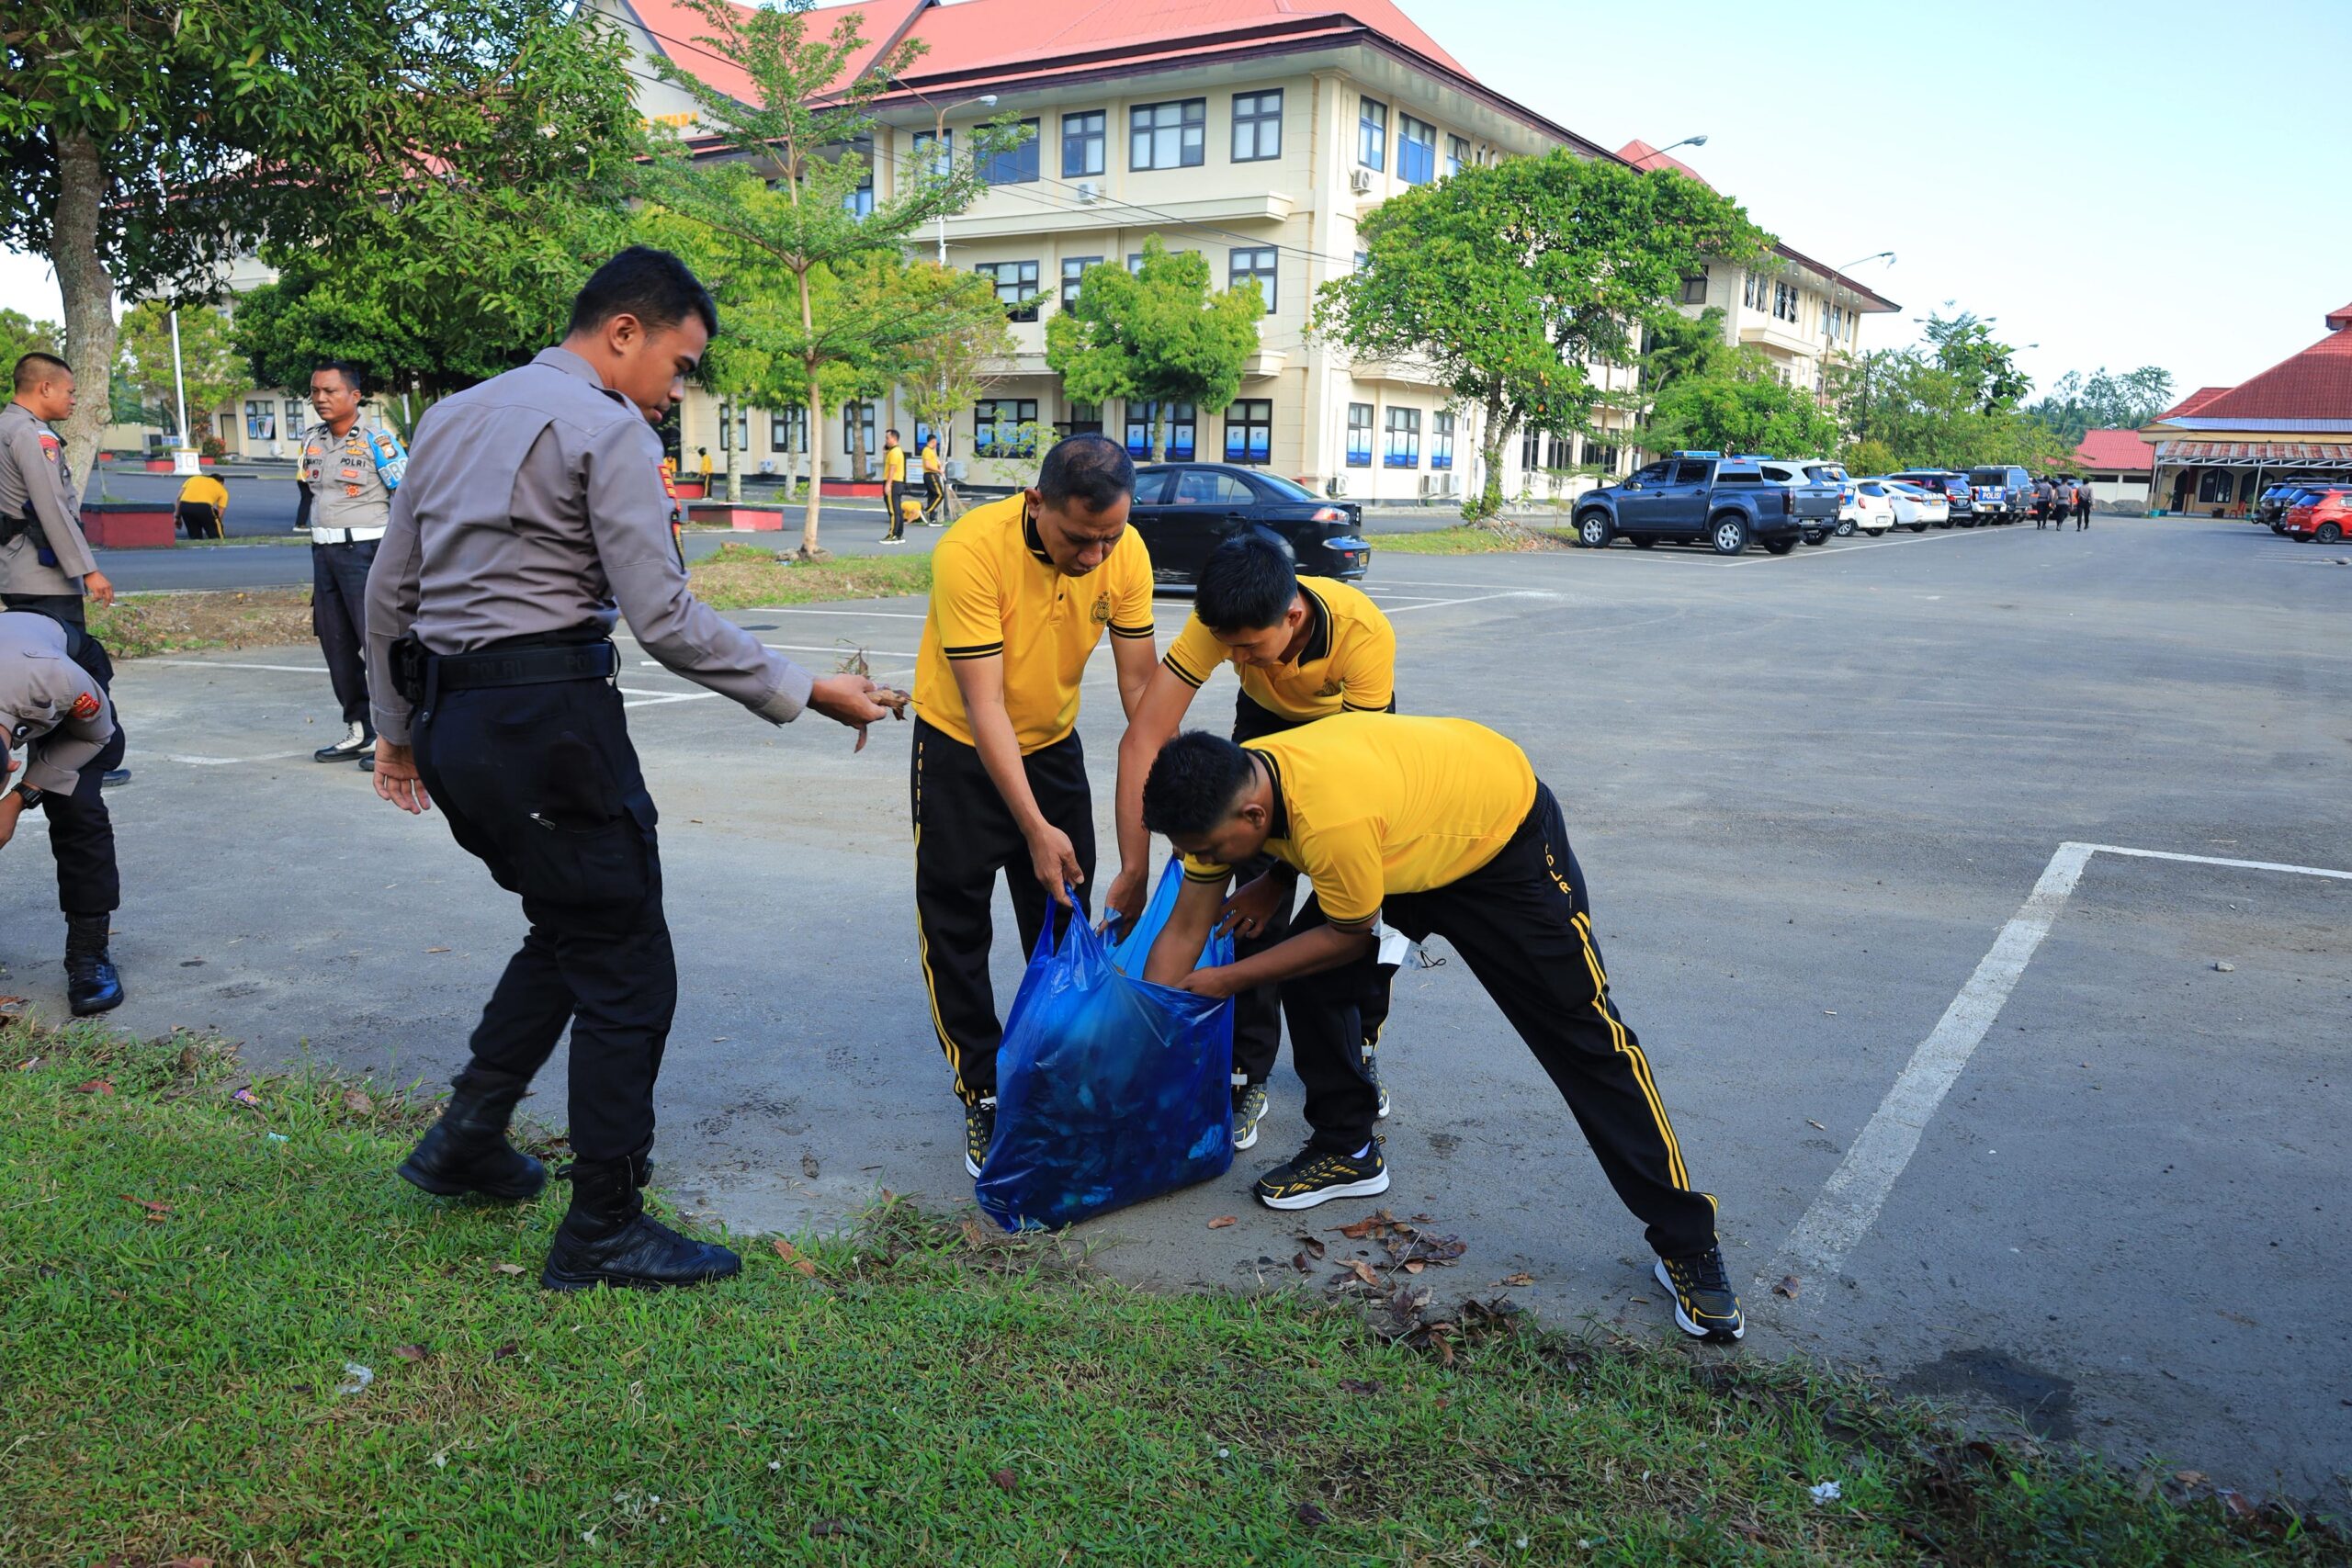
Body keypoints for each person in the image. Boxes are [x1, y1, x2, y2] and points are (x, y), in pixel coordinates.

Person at [366, 246, 892, 1292]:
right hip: (549, 727)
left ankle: (466, 1138)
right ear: (624, 334)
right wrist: (806, 690)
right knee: (629, 969)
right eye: (680, 364)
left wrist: (394, 730)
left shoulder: (450, 416)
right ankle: (603, 1224)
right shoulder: (606, 429)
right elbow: (666, 619)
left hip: (459, 720)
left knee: (572, 929)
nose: (676, 388)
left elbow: (390, 588)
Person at [1138, 716, 1743, 1342]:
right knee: (1310, 978)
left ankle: (1689, 1240)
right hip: (1397, 841)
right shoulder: (1228, 789)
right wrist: (1147, 1045)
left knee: (1585, 1037)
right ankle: (1347, 1148)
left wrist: (1229, 979)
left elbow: (1349, 934)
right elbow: (1185, 929)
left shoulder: (1331, 818)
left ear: (1253, 818)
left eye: (1210, 851)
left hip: (1497, 843)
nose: (1204, 862)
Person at [910, 433, 1159, 1178]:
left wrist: (1161, 817)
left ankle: (1056, 1071)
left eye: (1108, 537)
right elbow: (983, 706)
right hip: (959, 745)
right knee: (955, 923)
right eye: (1080, 539)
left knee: (1061, 918)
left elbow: (1142, 691)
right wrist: (1032, 826)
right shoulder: (971, 551)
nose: (1094, 557)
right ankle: (981, 1089)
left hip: (1052, 745)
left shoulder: (1128, 553)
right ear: (1036, 501)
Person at [1109, 534, 1398, 1152]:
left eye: (1247, 646)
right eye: (1228, 646)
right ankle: (1249, 1069)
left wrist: (1282, 877)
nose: (1235, 655)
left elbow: (1354, 773)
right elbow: (1144, 737)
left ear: (1292, 615)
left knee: (1355, 902)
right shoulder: (1222, 620)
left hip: (1352, 742)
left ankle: (1362, 1037)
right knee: (1245, 911)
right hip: (1265, 728)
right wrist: (1134, 865)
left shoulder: (1361, 635)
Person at [1, 352, 130, 804]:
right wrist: (89, 570)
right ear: (45, 389)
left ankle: (56, 762)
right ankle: (83, 763)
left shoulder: (4, 426)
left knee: (37, 667)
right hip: (43, 575)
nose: (74, 399)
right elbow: (51, 507)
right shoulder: (33, 435)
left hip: (14, 569)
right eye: (71, 391)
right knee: (68, 666)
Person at [0, 609, 127, 1014]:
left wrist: (20, 797)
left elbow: (98, 735)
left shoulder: (61, 681)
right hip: (14, 653)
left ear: (9, 765)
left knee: (75, 803)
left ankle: (89, 954)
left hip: (57, 658)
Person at [296, 361, 406, 767]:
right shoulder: (311, 440)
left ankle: (393, 735)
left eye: (330, 391)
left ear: (354, 396)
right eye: (315, 391)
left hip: (367, 553)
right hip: (323, 555)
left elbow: (407, 498)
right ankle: (359, 728)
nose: (320, 399)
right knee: (336, 643)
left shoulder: (379, 440)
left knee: (377, 643)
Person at [175, 469, 229, 540]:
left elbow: (179, 497)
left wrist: (177, 517)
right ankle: (220, 543)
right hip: (204, 507)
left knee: (195, 537)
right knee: (217, 537)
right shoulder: (222, 490)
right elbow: (220, 514)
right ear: (221, 483)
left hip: (185, 506)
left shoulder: (193, 479)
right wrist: (214, 525)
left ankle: (197, 546)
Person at [879, 427, 908, 544]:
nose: (886, 440)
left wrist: (888, 484)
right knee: (897, 510)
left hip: (893, 482)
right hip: (898, 483)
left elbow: (892, 469)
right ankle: (899, 534)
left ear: (894, 438)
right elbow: (884, 450)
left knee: (893, 511)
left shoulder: (895, 452)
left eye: (887, 438)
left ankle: (893, 534)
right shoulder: (896, 450)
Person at [920, 435, 944, 522]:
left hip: (932, 474)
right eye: (936, 442)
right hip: (931, 475)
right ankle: (926, 511)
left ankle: (932, 517)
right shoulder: (927, 450)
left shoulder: (931, 451)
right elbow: (927, 465)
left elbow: (934, 462)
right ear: (933, 441)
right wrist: (938, 471)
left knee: (932, 496)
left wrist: (938, 464)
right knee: (940, 495)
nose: (936, 444)